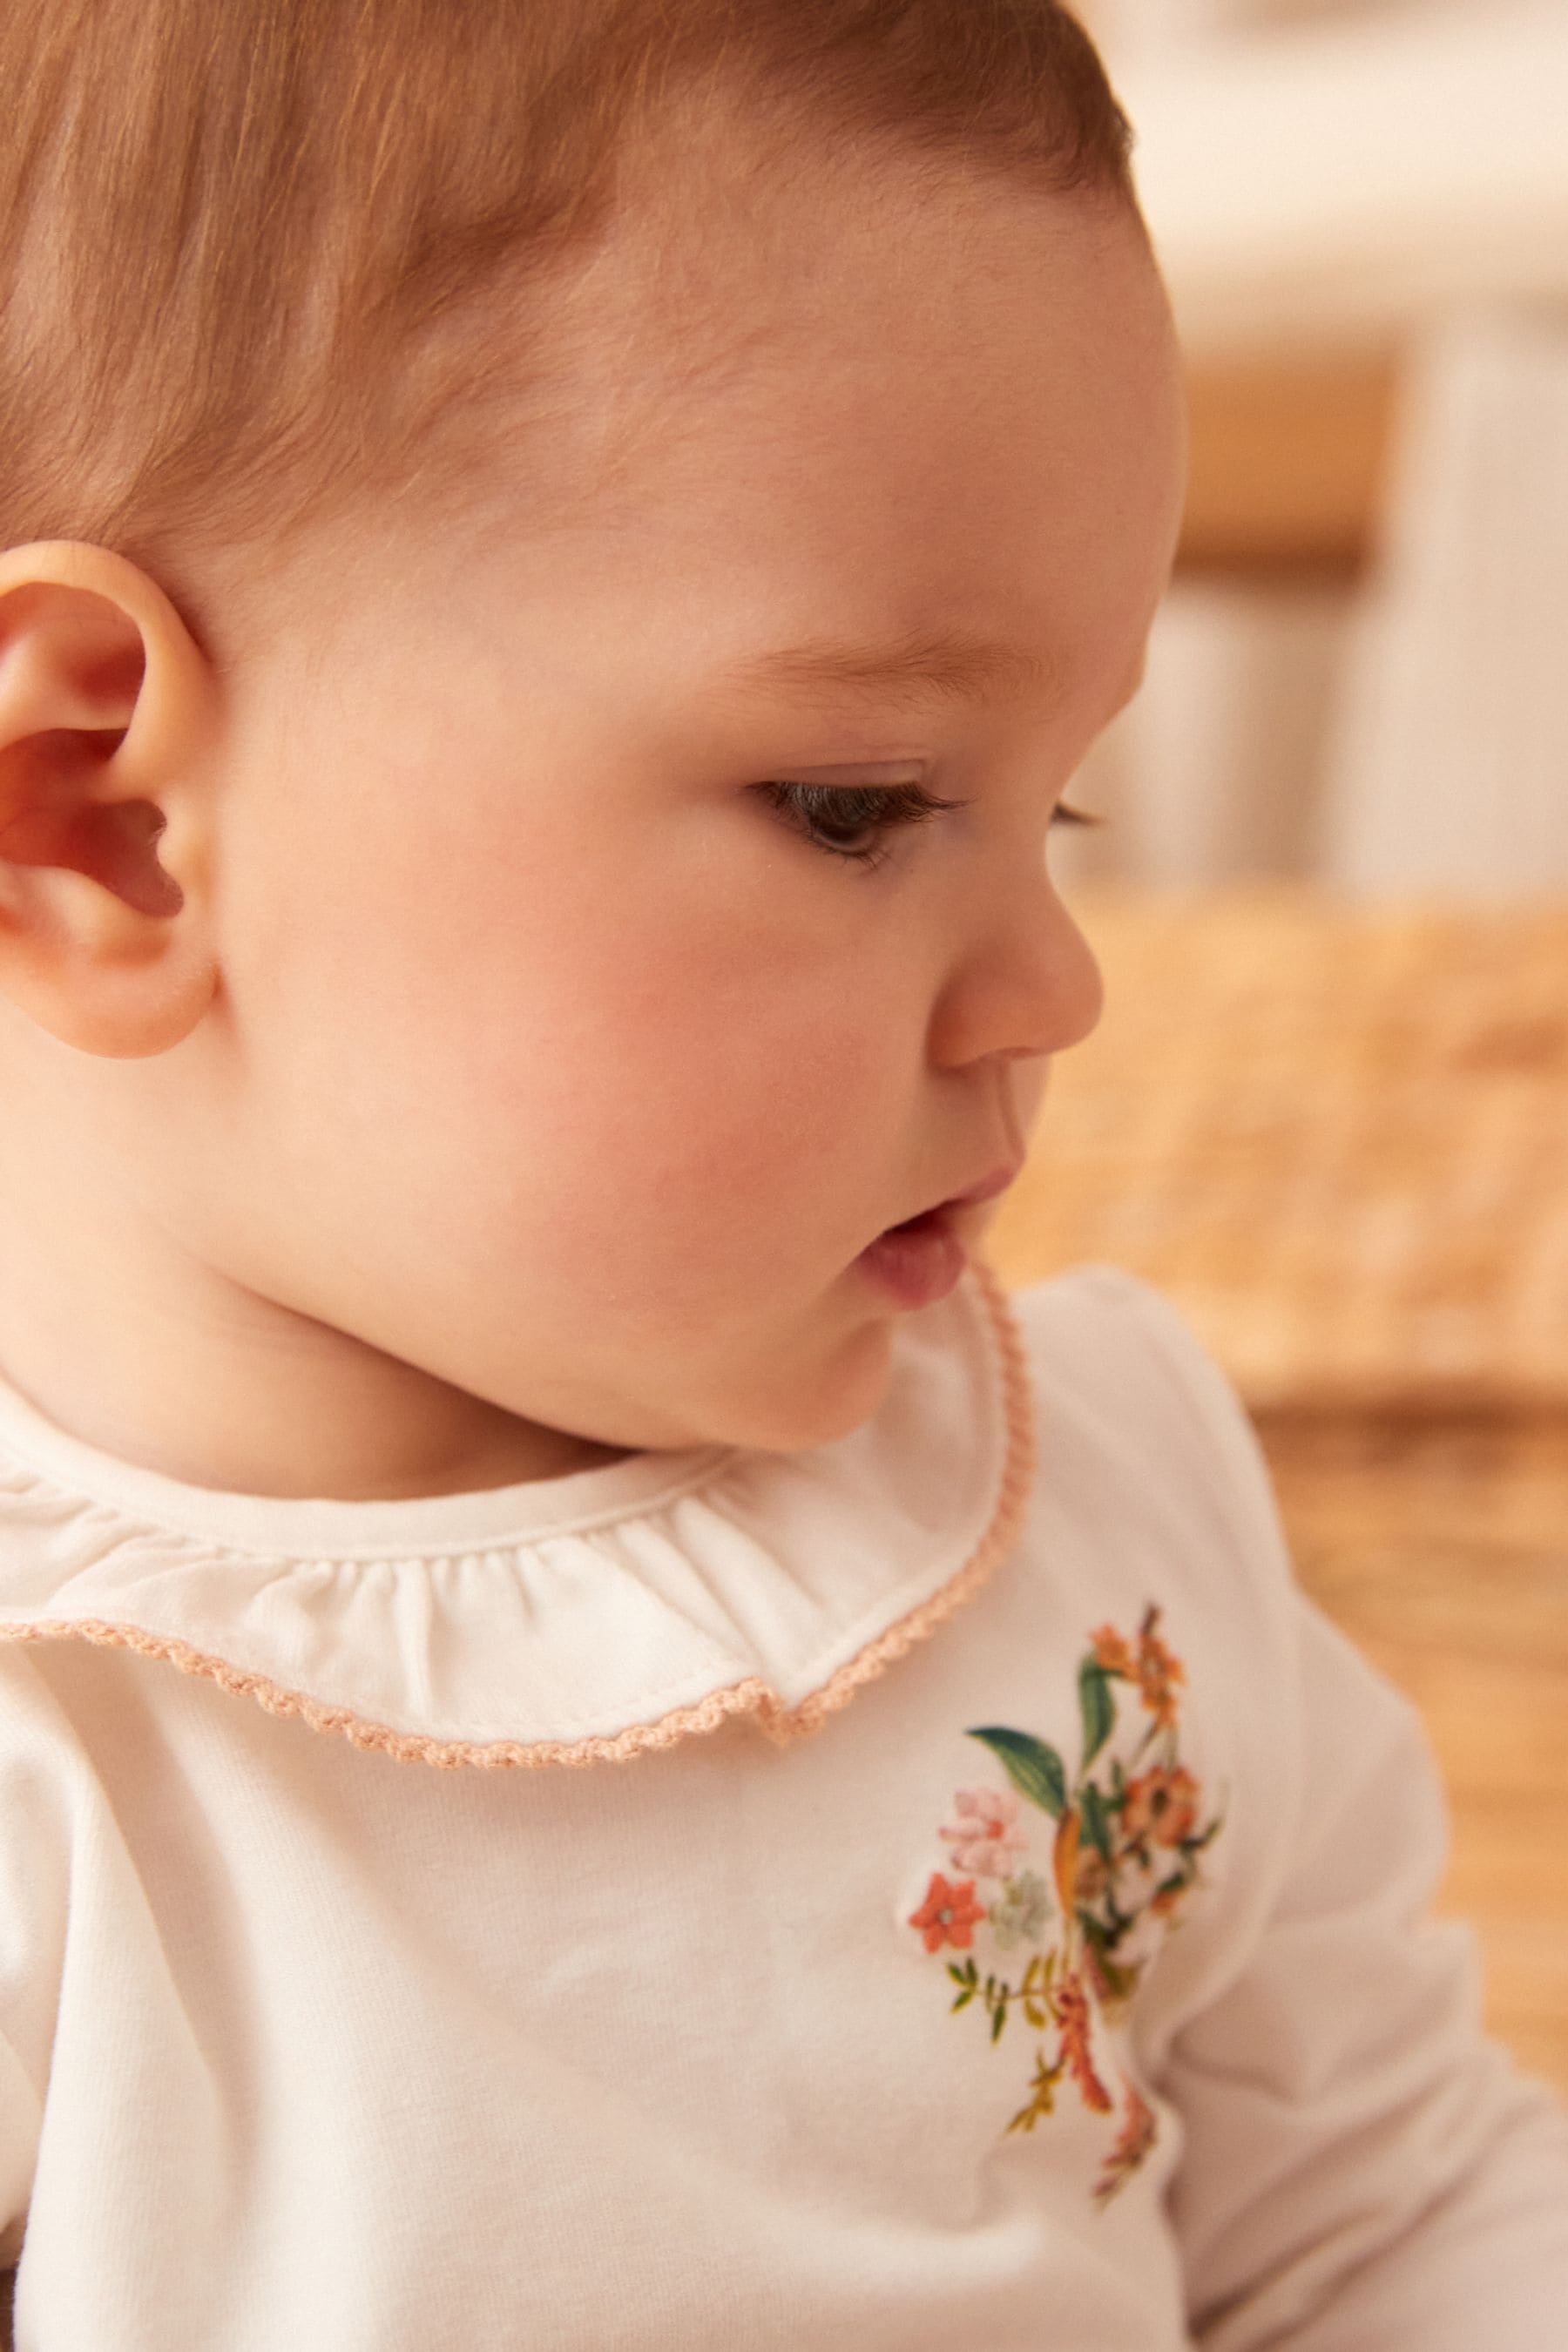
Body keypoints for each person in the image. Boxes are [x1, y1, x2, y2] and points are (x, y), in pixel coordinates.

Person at [0, 3, 1563, 2345]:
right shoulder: (64, 1761)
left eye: (1061, 805)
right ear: (105, 816)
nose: (1053, 981)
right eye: (858, 803)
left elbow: (1387, 2220)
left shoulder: (1100, 1517)